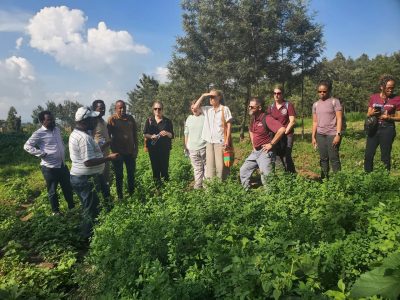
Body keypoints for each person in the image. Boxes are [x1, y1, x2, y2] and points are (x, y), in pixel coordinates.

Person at [69, 107, 119, 238]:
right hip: (85, 179)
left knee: (91, 206)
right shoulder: (84, 138)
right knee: (91, 209)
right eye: (93, 118)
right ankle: (86, 238)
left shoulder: (78, 134)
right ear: (85, 120)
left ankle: (92, 232)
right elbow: (88, 162)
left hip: (84, 177)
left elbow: (90, 154)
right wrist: (108, 158)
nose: (96, 121)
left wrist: (103, 146)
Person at [24, 111, 75, 215]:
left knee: (67, 187)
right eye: (49, 120)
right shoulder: (39, 133)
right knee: (52, 190)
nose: (52, 121)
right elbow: (27, 146)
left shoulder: (56, 130)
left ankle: (72, 208)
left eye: (53, 119)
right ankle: (55, 212)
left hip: (62, 165)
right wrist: (41, 153)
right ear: (42, 121)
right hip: (49, 168)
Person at [240, 97, 286, 189]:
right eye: (249, 106)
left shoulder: (267, 118)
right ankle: (246, 193)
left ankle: (271, 199)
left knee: (267, 179)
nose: (249, 108)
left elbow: (282, 129)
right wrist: (254, 146)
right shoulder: (253, 119)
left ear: (259, 108)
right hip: (255, 152)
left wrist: (271, 144)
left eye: (252, 107)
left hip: (265, 153)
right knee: (244, 170)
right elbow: (251, 131)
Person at [193, 89, 233, 181]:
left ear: (219, 97)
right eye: (210, 97)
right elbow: (195, 108)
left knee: (221, 166)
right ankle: (211, 187)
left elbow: (229, 124)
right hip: (209, 142)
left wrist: (227, 140)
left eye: (213, 97)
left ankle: (222, 185)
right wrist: (203, 95)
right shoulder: (207, 109)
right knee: (210, 167)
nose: (211, 99)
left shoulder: (224, 109)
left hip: (220, 142)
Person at [364, 75, 400, 172]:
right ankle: (368, 177)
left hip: (387, 129)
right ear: (382, 87)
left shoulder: (397, 99)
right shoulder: (374, 97)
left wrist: (389, 117)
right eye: (388, 88)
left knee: (385, 156)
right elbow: (368, 114)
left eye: (392, 88)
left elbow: (399, 117)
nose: (391, 90)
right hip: (373, 128)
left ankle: (385, 180)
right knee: (368, 155)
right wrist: (371, 113)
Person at [311, 80, 343, 179]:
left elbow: (339, 118)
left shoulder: (335, 102)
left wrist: (338, 134)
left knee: (334, 158)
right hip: (320, 135)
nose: (322, 93)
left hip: (332, 134)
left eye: (324, 91)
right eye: (320, 91)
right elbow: (315, 122)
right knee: (323, 158)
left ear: (328, 91)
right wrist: (313, 136)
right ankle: (324, 180)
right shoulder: (315, 105)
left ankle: (339, 181)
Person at [107, 100, 138, 200]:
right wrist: (113, 151)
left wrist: (135, 149)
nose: (122, 109)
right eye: (120, 108)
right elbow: (108, 137)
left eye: (124, 107)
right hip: (118, 154)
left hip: (130, 152)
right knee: (119, 176)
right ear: (116, 109)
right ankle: (120, 196)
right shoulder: (112, 120)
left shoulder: (130, 118)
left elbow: (135, 135)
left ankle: (132, 194)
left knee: (131, 174)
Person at [267, 84, 296, 173]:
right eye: (274, 93)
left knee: (286, 155)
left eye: (278, 93)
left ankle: (291, 175)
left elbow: (292, 121)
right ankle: (283, 175)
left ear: (282, 94)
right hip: (276, 135)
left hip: (287, 135)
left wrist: (284, 132)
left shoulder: (288, 105)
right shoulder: (271, 107)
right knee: (278, 155)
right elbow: (268, 121)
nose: (276, 95)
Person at [143, 101, 174, 185]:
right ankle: (157, 188)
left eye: (159, 109)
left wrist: (167, 133)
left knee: (164, 169)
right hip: (153, 149)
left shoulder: (167, 121)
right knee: (155, 169)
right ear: (153, 110)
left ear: (162, 110)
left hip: (164, 149)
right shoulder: (149, 120)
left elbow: (172, 135)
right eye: (155, 109)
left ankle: (166, 189)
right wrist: (151, 136)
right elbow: (145, 134)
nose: (157, 110)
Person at [91, 100, 112, 210]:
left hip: (106, 157)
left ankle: (107, 203)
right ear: (94, 109)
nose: (103, 110)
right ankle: (98, 206)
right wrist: (104, 145)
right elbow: (89, 142)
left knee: (106, 180)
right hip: (97, 159)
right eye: (100, 108)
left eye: (104, 107)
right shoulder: (92, 123)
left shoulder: (103, 122)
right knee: (98, 182)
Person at [184, 101, 207, 189]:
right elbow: (186, 133)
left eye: (196, 107)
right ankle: (198, 187)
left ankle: (206, 187)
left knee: (206, 167)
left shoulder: (205, 117)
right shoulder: (189, 118)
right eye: (192, 108)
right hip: (192, 149)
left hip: (204, 147)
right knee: (197, 169)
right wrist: (186, 146)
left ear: (200, 107)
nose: (194, 109)